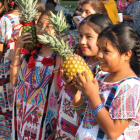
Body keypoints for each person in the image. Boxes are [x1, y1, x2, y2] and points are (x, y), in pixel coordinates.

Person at [62, 23, 140, 139]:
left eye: (106, 51)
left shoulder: (131, 87)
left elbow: (113, 132)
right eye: (99, 49)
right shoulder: (101, 78)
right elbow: (86, 117)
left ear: (127, 54)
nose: (99, 55)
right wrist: (75, 93)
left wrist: (93, 96)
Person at [55, 14, 113, 140]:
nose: (82, 41)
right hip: (64, 126)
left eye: (89, 37)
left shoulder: (103, 72)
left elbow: (92, 112)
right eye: (80, 35)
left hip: (82, 131)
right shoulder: (81, 61)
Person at [11, 10, 60, 140]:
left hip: (44, 123)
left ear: (58, 31)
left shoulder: (57, 59)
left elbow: (57, 89)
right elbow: (14, 81)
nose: (41, 29)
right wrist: (18, 48)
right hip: (22, 118)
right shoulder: (31, 55)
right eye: (39, 25)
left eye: (48, 27)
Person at [0, 0, 22, 139]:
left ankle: (5, 134)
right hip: (21, 66)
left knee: (5, 102)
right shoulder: (29, 20)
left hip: (7, 67)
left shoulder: (5, 19)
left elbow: (1, 47)